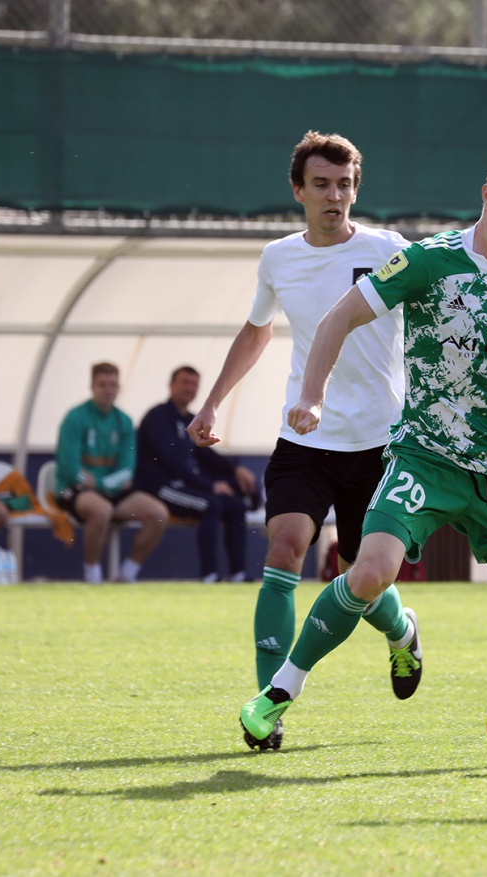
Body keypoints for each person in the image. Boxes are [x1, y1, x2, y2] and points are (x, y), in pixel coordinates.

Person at [238, 139, 487, 765]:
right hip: (425, 456)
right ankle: (278, 693)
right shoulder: (425, 261)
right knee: (369, 571)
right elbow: (336, 320)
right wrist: (311, 395)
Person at [187, 131, 418, 751]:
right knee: (285, 548)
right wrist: (212, 402)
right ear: (298, 190)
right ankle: (269, 706)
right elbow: (257, 331)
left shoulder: (390, 250)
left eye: (344, 185)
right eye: (321, 185)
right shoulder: (279, 258)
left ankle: (402, 634)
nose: (333, 196)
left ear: (355, 190)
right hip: (305, 437)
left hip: (379, 445)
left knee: (363, 578)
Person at [136, 366, 259, 582]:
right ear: (171, 385)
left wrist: (235, 469)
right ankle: (209, 574)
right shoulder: (158, 417)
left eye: (194, 384)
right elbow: (172, 463)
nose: (189, 388)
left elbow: (207, 454)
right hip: (160, 486)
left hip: (184, 486)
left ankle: (238, 573)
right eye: (184, 382)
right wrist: (210, 486)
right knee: (210, 504)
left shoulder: (191, 421)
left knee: (236, 506)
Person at [54, 362, 169, 583]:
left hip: (107, 489)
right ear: (92, 387)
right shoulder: (75, 418)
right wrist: (106, 484)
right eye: (103, 385)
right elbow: (70, 468)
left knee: (158, 514)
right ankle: (92, 576)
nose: (108, 390)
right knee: (101, 510)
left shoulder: (124, 421)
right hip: (73, 490)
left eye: (113, 385)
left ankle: (126, 575)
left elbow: (127, 470)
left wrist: (98, 483)